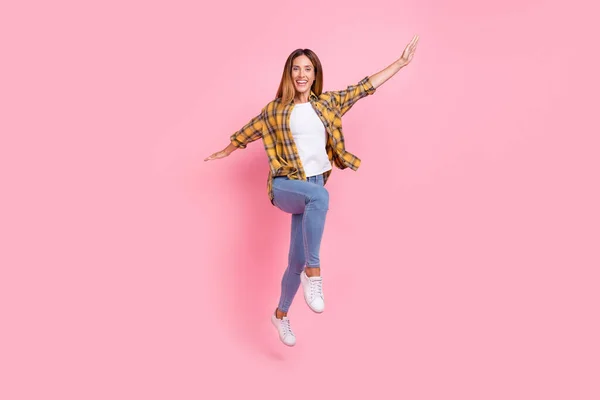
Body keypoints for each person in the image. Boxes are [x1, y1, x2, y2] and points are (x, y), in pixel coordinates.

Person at [205, 35, 419, 347]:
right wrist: (225, 150)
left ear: (315, 74)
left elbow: (363, 88)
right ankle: (315, 274)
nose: (302, 74)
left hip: (313, 185)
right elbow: (247, 131)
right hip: (285, 185)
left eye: (307, 68)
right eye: (296, 69)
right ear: (288, 74)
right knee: (320, 198)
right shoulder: (275, 110)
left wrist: (400, 64)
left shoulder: (328, 104)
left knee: (295, 260)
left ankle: (280, 315)